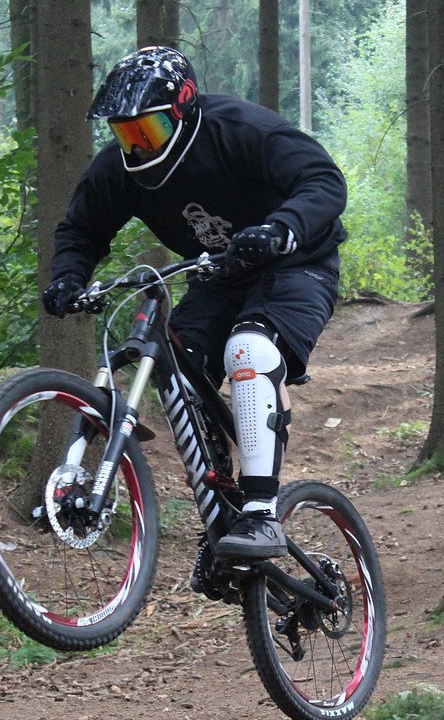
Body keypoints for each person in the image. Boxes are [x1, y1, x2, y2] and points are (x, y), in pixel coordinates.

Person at [41, 46, 347, 560]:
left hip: (297, 265)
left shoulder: (240, 129)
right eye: (126, 133)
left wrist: (281, 229)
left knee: (249, 349)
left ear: (183, 108)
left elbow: (323, 180)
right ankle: (221, 504)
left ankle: (261, 514)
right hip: (218, 276)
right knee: (177, 368)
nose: (139, 146)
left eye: (149, 130)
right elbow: (81, 228)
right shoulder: (119, 168)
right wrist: (68, 278)